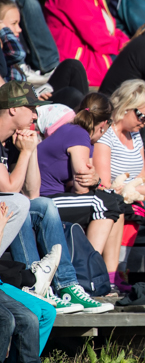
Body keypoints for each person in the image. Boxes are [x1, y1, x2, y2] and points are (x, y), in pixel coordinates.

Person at [0, 82, 112, 314]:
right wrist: (28, 152)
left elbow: (33, 193)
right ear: (12, 109)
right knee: (19, 204)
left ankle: (67, 285)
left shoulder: (10, 141)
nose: (35, 113)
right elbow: (10, 187)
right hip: (8, 207)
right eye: (31, 107)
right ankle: (34, 286)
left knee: (41, 204)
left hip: (12, 205)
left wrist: (29, 151)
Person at [37, 93, 127, 277]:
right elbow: (81, 185)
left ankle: (108, 276)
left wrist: (97, 181)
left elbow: (85, 180)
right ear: (104, 124)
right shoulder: (78, 134)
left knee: (115, 203)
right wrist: (95, 182)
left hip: (52, 198)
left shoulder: (75, 132)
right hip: (43, 202)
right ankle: (86, 272)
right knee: (108, 204)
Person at [94, 80, 145, 233]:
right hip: (117, 198)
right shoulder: (105, 135)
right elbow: (105, 187)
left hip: (136, 194)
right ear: (125, 106)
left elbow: (142, 177)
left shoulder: (135, 134)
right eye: (143, 117)